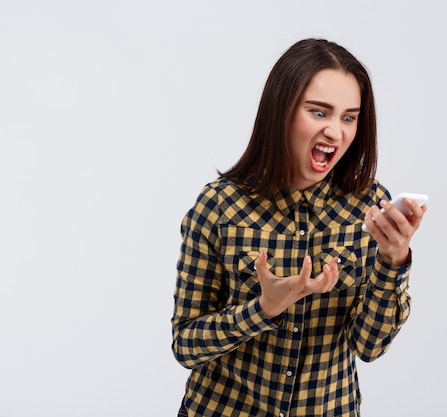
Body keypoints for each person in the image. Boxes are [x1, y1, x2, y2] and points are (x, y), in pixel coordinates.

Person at [171, 38, 427, 417]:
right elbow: (186, 345)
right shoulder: (220, 206)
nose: (336, 133)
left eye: (349, 117)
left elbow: (369, 346)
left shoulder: (371, 208)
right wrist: (263, 309)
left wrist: (393, 261)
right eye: (319, 112)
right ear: (282, 111)